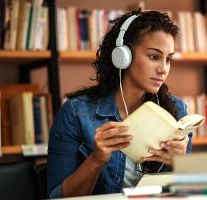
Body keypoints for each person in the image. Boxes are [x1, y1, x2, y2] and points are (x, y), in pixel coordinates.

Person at [47, 9, 193, 198]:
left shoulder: (176, 110)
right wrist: (96, 160)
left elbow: (190, 192)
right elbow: (57, 197)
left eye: (168, 59)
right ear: (123, 56)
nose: (163, 69)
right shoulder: (76, 112)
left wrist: (181, 163)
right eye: (154, 57)